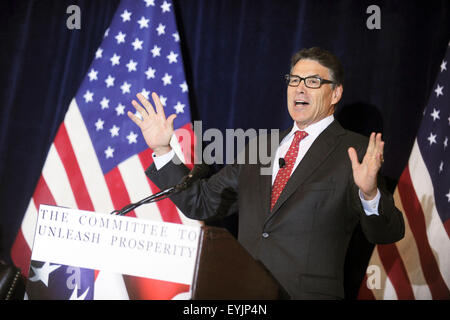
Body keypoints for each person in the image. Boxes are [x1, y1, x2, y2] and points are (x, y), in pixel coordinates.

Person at [127, 47, 404, 299]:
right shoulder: (260, 146)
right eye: (294, 80)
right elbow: (201, 203)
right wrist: (163, 150)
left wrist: (370, 193)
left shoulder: (355, 151)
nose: (300, 89)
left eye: (312, 82)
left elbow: (386, 232)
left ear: (335, 93)